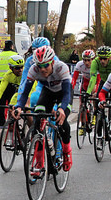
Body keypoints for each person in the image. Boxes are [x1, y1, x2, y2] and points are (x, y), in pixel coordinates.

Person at [14, 45, 73, 173]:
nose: (43, 69)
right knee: (38, 121)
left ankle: (67, 151)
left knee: (61, 120)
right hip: (48, 93)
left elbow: (67, 93)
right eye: (39, 66)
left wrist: (62, 108)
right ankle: (40, 162)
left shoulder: (61, 67)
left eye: (46, 65)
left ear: (52, 62)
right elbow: (25, 93)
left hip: (64, 93)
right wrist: (19, 107)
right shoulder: (34, 70)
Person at [0, 54, 24, 126]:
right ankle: (10, 125)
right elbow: (1, 89)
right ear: (11, 68)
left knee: (28, 113)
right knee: (11, 108)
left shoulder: (25, 74)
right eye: (17, 68)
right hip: (15, 92)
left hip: (25, 93)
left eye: (22, 67)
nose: (20, 70)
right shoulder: (8, 75)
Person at [72, 49, 99, 135]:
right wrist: (71, 89)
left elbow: (98, 81)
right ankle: (83, 125)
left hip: (94, 82)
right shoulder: (80, 65)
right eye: (84, 60)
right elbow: (74, 78)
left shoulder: (96, 65)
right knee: (81, 105)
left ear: (93, 59)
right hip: (85, 83)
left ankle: (95, 113)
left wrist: (95, 91)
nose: (86, 62)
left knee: (94, 96)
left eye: (88, 60)